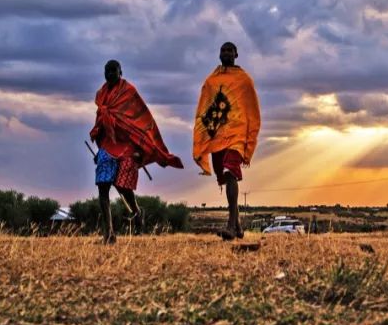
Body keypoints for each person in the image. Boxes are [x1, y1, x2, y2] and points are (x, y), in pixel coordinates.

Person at [90, 59, 183, 244]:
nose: (109, 74)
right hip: (108, 145)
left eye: (113, 71)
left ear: (120, 72)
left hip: (128, 146)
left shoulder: (129, 92)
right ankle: (108, 233)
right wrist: (99, 150)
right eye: (106, 71)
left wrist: (140, 150)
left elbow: (141, 121)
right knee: (103, 186)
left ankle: (137, 212)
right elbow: (101, 123)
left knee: (123, 186)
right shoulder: (101, 96)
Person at [193, 42, 261, 240]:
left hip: (238, 133)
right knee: (223, 173)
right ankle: (238, 226)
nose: (226, 53)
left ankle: (230, 226)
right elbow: (205, 109)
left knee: (230, 171)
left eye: (230, 50)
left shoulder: (244, 80)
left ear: (236, 54)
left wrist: (249, 138)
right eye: (223, 50)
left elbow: (252, 110)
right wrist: (204, 134)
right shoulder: (212, 80)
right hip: (219, 134)